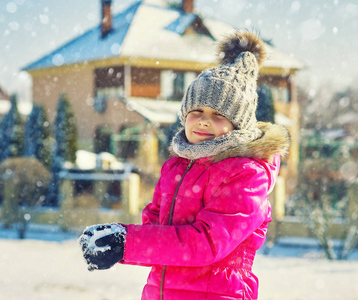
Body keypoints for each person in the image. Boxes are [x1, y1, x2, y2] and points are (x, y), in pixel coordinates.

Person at [79, 30, 291, 300]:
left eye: (218, 115)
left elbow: (207, 242)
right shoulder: (177, 167)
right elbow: (157, 232)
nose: (204, 121)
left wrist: (129, 243)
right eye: (197, 112)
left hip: (216, 293)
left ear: (238, 123)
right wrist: (117, 242)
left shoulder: (247, 175)